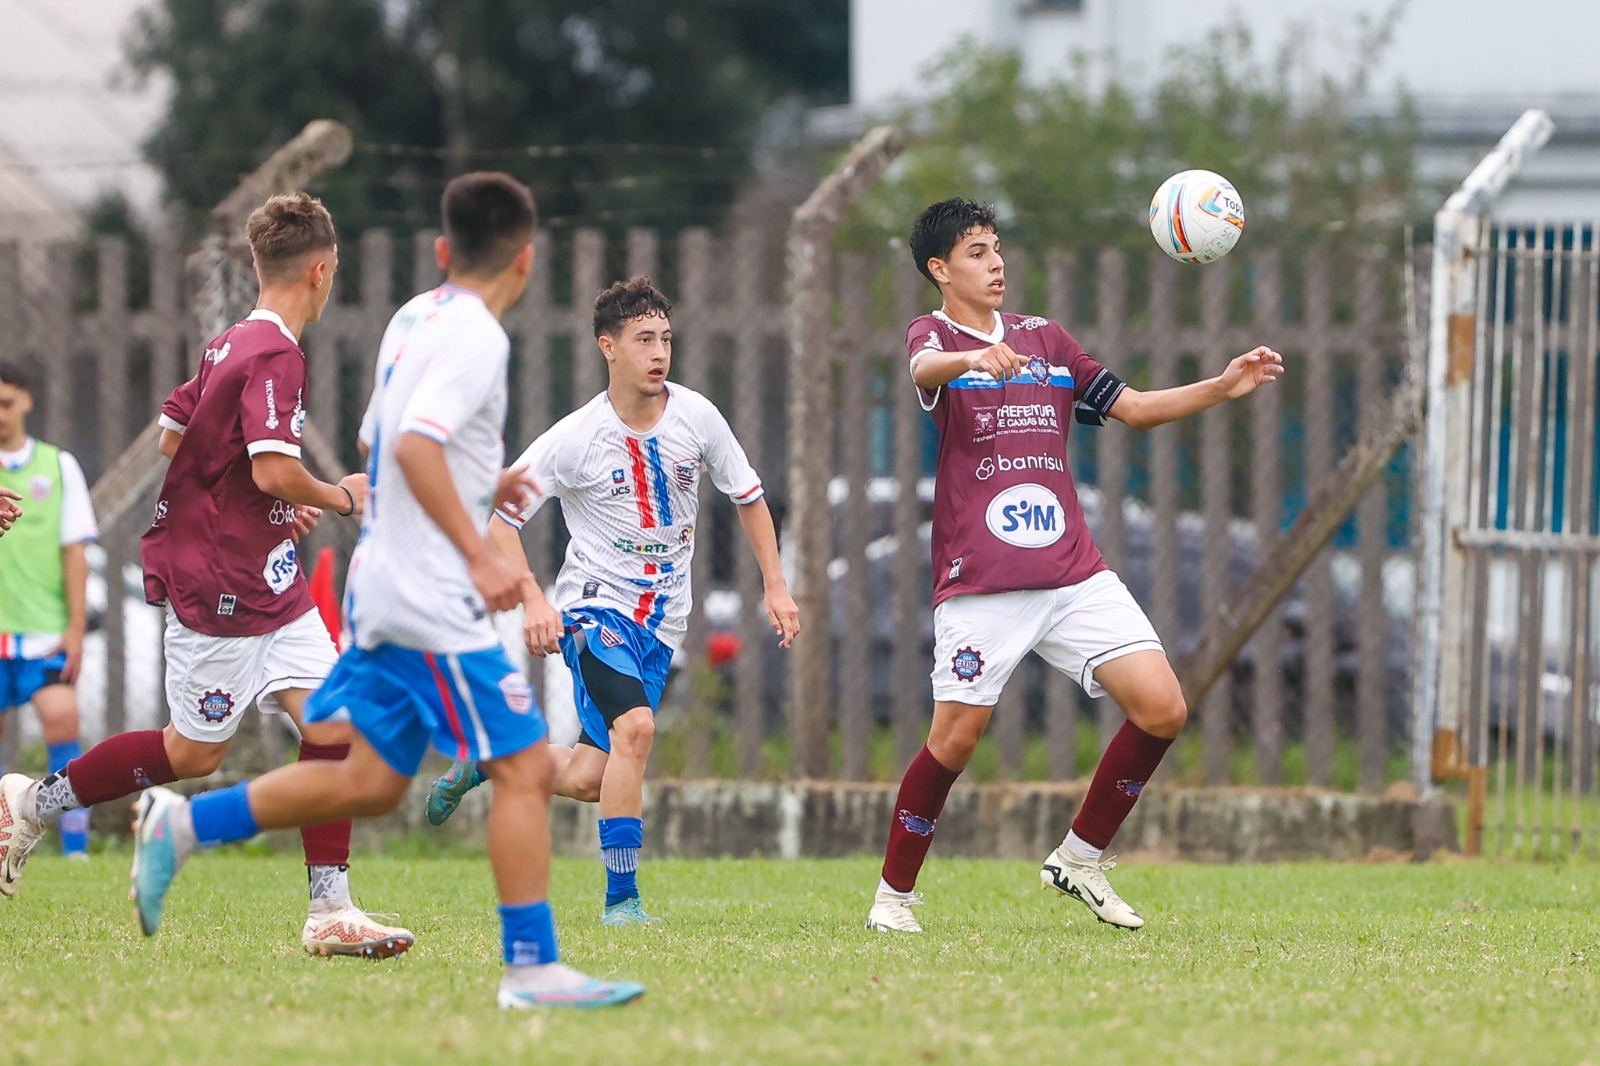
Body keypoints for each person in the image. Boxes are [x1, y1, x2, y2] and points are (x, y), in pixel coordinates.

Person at [127, 172, 644, 1010]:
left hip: (382, 586)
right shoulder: (480, 337)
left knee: (370, 779)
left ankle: (183, 826)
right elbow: (410, 450)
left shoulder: (415, 316)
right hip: (433, 599)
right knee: (517, 765)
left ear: (443, 252)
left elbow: (385, 436)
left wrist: (485, 488)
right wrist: (480, 554)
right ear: (526, 260)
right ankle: (532, 969)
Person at [0, 193, 412, 958]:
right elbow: (274, 467)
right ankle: (32, 803)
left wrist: (259, 510)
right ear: (321, 271)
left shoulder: (229, 344)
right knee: (193, 754)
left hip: (269, 579)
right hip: (219, 590)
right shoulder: (277, 355)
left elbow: (174, 437)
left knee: (334, 722)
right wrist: (338, 496)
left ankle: (331, 910)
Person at [864, 199, 1284, 934]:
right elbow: (925, 366)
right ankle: (892, 899)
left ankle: (1080, 858)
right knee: (954, 741)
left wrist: (1222, 385)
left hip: (1072, 571)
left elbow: (1138, 407)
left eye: (997, 247)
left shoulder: (1046, 340)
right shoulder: (933, 336)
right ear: (940, 269)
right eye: (976, 252)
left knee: (1163, 708)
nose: (995, 263)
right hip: (983, 580)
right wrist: (971, 358)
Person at [424, 275, 800, 926]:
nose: (660, 353)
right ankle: (621, 902)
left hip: (662, 625)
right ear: (608, 347)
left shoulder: (698, 418)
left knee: (587, 778)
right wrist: (535, 605)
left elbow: (749, 498)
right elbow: (499, 523)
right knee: (638, 729)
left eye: (666, 339)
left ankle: (488, 759)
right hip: (593, 613)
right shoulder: (575, 438)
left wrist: (775, 583)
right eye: (643, 339)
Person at [0, 362, 97, 858]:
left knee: (63, 722)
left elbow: (74, 550)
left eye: (7, 403)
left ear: (27, 402)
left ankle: (75, 846)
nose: (0, 415)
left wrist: (75, 627)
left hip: (42, 633)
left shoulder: (58, 466)